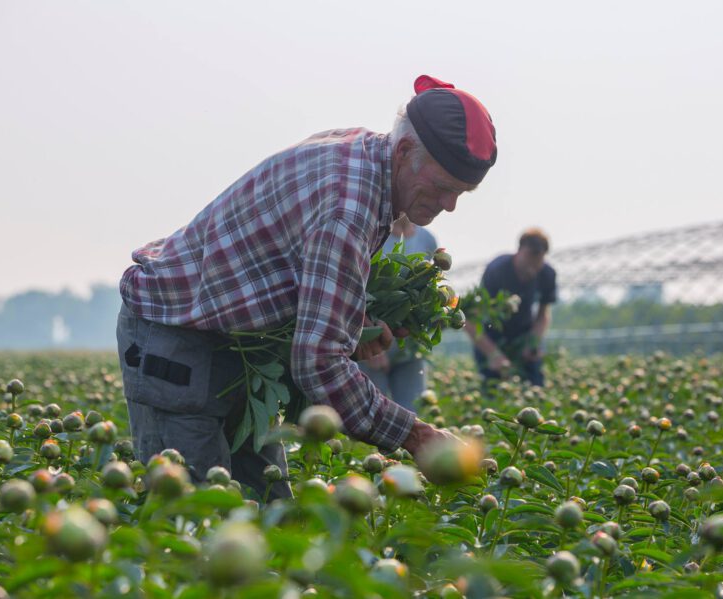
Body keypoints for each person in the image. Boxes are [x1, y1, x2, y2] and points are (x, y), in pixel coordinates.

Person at [116, 74, 497, 501]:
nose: (449, 205)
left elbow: (301, 274)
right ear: (405, 151)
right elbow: (317, 362)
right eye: (444, 187)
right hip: (175, 339)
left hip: (236, 346)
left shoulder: (365, 153)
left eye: (461, 193)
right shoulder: (348, 209)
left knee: (269, 510)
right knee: (195, 518)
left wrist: (356, 324)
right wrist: (416, 435)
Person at [359, 215, 437, 413]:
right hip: (373, 343)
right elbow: (356, 289)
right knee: (371, 416)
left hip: (410, 348)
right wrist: (366, 339)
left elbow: (428, 290)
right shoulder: (374, 234)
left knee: (414, 412)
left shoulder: (427, 239)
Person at [465, 229, 556, 387]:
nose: (532, 269)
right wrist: (493, 354)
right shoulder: (497, 270)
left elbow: (543, 314)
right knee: (492, 389)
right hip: (492, 336)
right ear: (519, 251)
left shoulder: (547, 274)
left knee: (534, 385)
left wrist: (533, 343)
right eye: (529, 260)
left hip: (523, 336)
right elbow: (471, 317)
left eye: (537, 263)